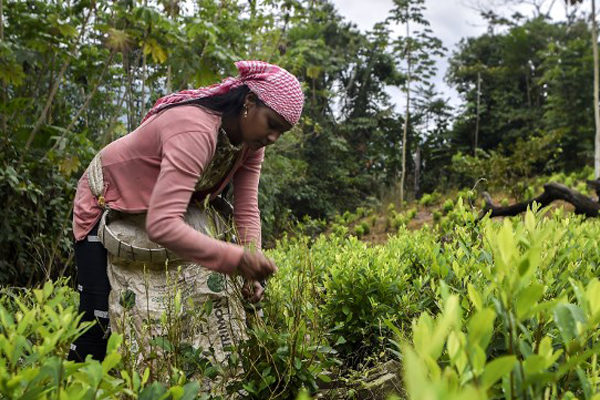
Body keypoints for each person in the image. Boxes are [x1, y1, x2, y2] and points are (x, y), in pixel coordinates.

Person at [68, 60, 304, 362]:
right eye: (271, 124)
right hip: (107, 203)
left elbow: (246, 209)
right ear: (249, 101)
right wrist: (238, 260)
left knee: (172, 317)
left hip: (154, 209)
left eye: (281, 132)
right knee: (99, 322)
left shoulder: (250, 146)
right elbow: (163, 225)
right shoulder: (194, 129)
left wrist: (251, 268)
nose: (272, 137)